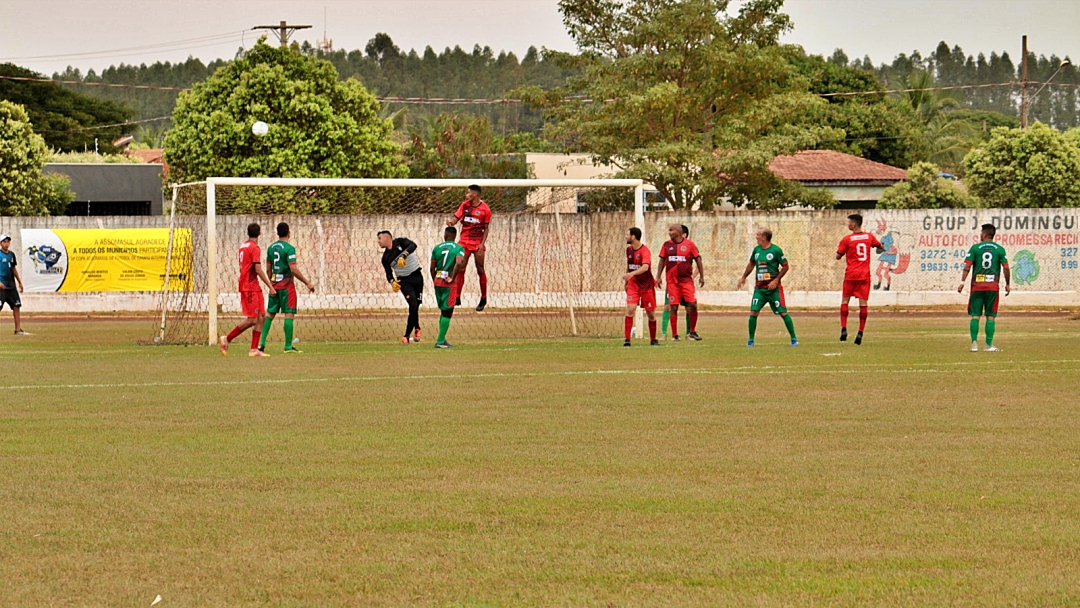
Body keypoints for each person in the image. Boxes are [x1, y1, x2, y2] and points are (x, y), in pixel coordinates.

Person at [258, 223, 315, 353]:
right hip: (287, 286)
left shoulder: (271, 248)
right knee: (288, 314)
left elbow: (268, 269)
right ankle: (288, 346)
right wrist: (307, 282)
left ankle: (261, 343)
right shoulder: (289, 248)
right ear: (289, 232)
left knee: (270, 314)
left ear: (277, 233)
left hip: (274, 286)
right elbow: (293, 269)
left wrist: (271, 284)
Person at [220, 223, 275, 357]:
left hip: (254, 286)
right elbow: (257, 269)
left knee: (261, 316)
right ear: (260, 233)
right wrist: (271, 286)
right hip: (249, 286)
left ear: (247, 233)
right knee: (252, 319)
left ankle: (253, 350)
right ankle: (227, 338)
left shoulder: (243, 246)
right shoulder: (254, 248)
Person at [737, 228, 798, 347]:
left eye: (758, 235)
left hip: (773, 289)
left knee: (783, 312)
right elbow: (751, 264)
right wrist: (743, 277)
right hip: (760, 289)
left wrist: (776, 280)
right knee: (754, 312)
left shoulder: (776, 250)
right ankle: (750, 340)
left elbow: (785, 267)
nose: (756, 236)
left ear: (764, 237)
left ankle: (794, 339)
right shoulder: (757, 250)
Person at [958, 223, 1010, 352]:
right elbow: (1006, 267)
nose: (980, 235)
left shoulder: (975, 248)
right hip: (992, 287)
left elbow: (967, 266)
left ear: (985, 234)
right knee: (990, 316)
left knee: (975, 315)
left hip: (977, 286)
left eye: (981, 232)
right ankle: (988, 345)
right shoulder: (999, 249)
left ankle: (974, 344)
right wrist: (1008, 284)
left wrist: (962, 282)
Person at [836, 214, 884, 345]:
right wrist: (880, 247)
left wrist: (842, 253)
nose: (848, 224)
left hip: (851, 274)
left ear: (855, 224)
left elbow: (838, 256)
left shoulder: (847, 239)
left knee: (845, 301)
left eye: (850, 222)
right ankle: (860, 332)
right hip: (864, 275)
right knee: (863, 304)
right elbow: (880, 246)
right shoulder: (869, 237)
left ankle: (844, 328)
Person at [655, 223, 704, 341]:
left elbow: (698, 260)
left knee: (692, 304)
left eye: (671, 230)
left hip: (686, 281)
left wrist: (701, 276)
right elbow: (662, 261)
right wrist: (658, 276)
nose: (669, 232)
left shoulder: (690, 244)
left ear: (678, 231)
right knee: (673, 307)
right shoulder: (666, 245)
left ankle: (692, 331)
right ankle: (674, 335)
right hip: (672, 282)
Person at [447, 184, 492, 311]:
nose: (467, 195)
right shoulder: (464, 205)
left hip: (477, 242)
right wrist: (451, 222)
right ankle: (457, 297)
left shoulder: (485, 210)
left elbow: (486, 228)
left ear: (476, 194)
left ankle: (483, 298)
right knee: (460, 267)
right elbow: (456, 218)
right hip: (464, 241)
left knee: (480, 269)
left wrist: (482, 244)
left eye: (469, 193)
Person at [379, 230, 425, 345]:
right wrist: (392, 282)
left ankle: (417, 328)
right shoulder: (385, 257)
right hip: (404, 281)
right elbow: (389, 273)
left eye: (379, 238)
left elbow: (413, 245)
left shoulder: (401, 242)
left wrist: (404, 255)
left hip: (417, 277)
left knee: (416, 305)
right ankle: (406, 335)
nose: (378, 242)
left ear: (387, 237)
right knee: (413, 304)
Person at [430, 226, 467, 348]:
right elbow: (458, 263)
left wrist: (435, 279)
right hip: (449, 284)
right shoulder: (458, 248)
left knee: (443, 310)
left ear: (445, 235)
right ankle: (440, 341)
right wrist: (452, 277)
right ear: (454, 236)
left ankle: (442, 339)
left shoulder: (436, 248)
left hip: (438, 281)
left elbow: (432, 268)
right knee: (448, 311)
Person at [623, 227, 659, 346]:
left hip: (646, 285)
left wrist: (631, 274)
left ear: (633, 237)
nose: (626, 236)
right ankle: (627, 339)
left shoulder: (645, 251)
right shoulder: (628, 250)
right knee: (630, 309)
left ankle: (653, 340)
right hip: (633, 284)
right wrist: (627, 282)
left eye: (627, 235)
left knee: (650, 314)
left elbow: (645, 267)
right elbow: (629, 265)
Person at [0, 234, 27, 335]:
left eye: (8, 242)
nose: (6, 244)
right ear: (0, 243)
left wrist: (19, 282)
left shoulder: (11, 255)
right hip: (1, 287)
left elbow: (13, 269)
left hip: (11, 286)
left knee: (16, 306)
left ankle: (18, 330)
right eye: (4, 242)